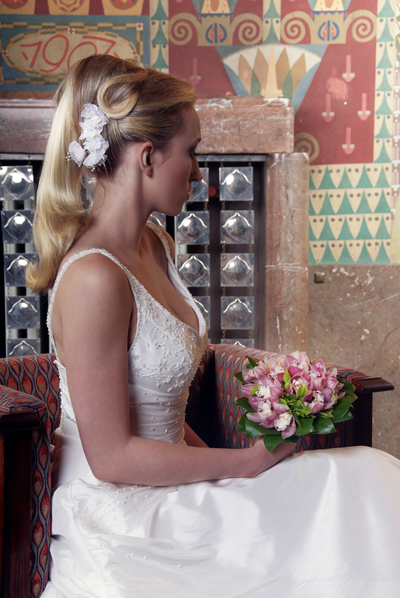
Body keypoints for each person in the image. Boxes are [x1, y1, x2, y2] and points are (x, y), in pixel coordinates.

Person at [27, 55, 400, 598]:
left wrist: (234, 469)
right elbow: (111, 458)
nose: (200, 171)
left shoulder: (155, 244)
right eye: (192, 151)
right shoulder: (94, 279)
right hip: (125, 509)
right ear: (148, 157)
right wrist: (244, 464)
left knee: (361, 476)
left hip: (174, 481)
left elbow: (163, 414)